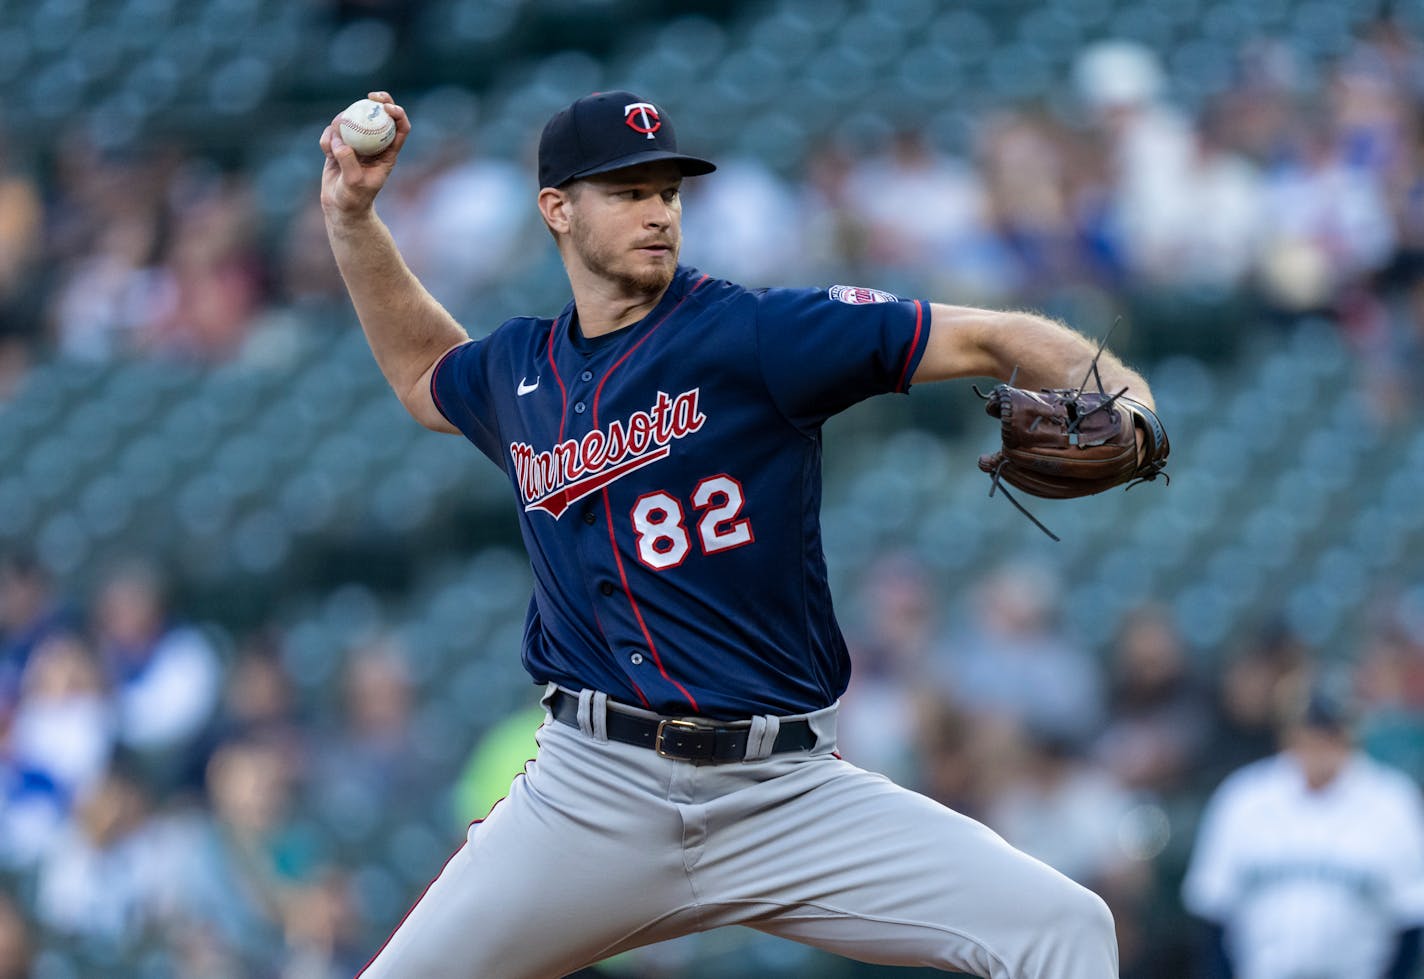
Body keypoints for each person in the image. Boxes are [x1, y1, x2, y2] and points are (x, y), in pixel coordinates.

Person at [321, 88, 1159, 979]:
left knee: (1064, 925)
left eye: (668, 192)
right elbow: (422, 372)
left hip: (783, 792)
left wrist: (1132, 397)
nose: (657, 212)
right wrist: (351, 215)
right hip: (593, 794)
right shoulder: (520, 371)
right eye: (627, 191)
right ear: (557, 209)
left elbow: (991, 335)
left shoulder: (757, 334)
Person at [1181, 680, 1424, 979]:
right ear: (1289, 733)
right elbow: (1214, 916)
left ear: (1351, 733)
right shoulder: (1242, 797)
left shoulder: (1394, 801)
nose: (1319, 743)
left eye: (1330, 732)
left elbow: (1411, 923)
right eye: (1311, 731)